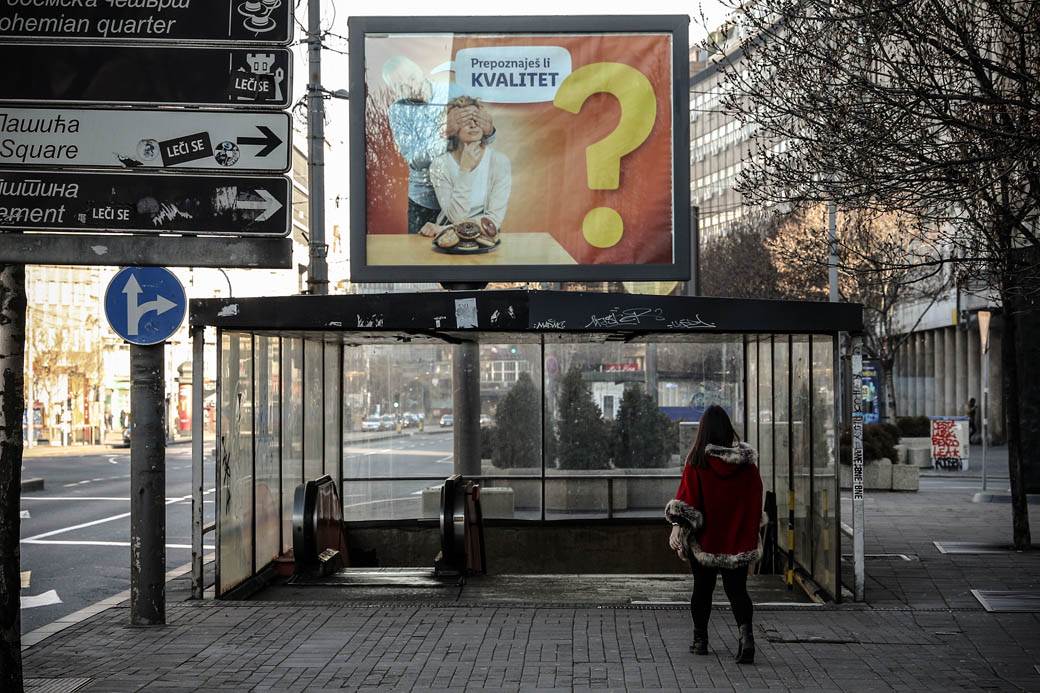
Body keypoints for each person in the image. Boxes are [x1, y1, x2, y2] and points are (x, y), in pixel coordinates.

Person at [666, 405, 764, 664]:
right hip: (738, 540)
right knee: (737, 591)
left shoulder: (698, 462)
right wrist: (748, 532)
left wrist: (677, 527)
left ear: (704, 431)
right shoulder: (747, 466)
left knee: (702, 589)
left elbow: (688, 502)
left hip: (706, 540)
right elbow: (755, 504)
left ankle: (700, 642)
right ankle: (746, 638)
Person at [382, 57, 495, 233]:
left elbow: (481, 138)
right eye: (401, 86)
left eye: (412, 78)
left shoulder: (453, 92)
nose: (411, 87)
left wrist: (489, 130)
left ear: (421, 71)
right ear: (394, 90)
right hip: (424, 202)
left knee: (466, 252)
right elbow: (414, 160)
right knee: (420, 256)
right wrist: (445, 135)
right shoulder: (398, 110)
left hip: (461, 193)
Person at [425, 96, 511, 233]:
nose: (473, 125)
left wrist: (442, 229)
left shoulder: (499, 162)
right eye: (465, 120)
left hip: (483, 239)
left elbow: (493, 220)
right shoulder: (440, 165)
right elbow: (456, 217)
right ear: (452, 127)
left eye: (477, 119)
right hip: (449, 241)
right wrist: (465, 170)